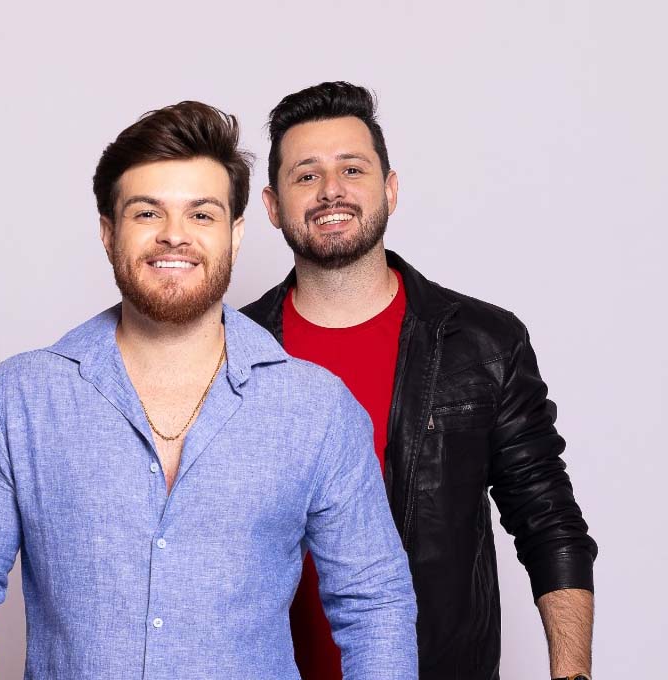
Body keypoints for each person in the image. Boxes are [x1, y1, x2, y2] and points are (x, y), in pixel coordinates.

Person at [0, 100, 418, 680]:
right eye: (147, 213)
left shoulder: (317, 409)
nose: (174, 236)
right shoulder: (18, 399)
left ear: (235, 233)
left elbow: (374, 604)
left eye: (201, 214)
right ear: (109, 233)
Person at [241, 81, 598, 680]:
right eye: (307, 175)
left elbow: (548, 520)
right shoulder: (230, 352)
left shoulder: (484, 343)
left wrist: (572, 674)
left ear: (390, 189)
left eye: (352, 169)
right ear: (273, 206)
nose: (331, 190)